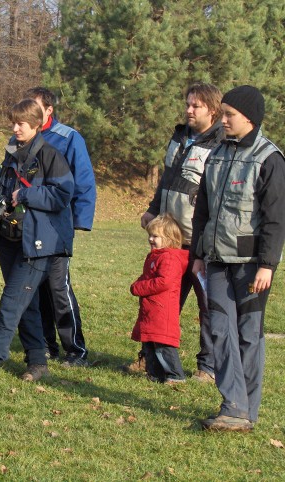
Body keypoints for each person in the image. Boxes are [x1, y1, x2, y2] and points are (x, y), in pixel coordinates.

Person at [0, 99, 74, 383]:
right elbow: (4, 189)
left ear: (36, 125)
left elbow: (62, 195)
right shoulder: (13, 152)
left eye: (21, 123)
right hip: (10, 239)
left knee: (11, 303)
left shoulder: (50, 155)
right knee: (26, 303)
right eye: (13, 122)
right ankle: (37, 361)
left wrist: (25, 195)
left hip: (37, 243)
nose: (15, 128)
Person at [192, 85, 285, 432]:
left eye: (229, 114)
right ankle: (232, 406)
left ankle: (247, 409)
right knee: (220, 331)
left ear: (250, 118)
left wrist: (267, 265)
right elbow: (203, 209)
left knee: (248, 334)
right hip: (215, 260)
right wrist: (198, 254)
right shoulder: (216, 153)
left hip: (251, 266)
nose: (224, 119)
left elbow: (276, 218)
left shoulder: (270, 159)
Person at [133, 82, 224, 382]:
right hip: (171, 242)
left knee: (207, 306)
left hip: (199, 244)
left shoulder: (220, 144)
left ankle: (208, 367)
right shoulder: (180, 137)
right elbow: (167, 179)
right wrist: (153, 207)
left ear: (212, 109)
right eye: (188, 103)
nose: (188, 109)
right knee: (159, 301)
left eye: (195, 105)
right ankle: (149, 357)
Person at [23, 87, 96, 366]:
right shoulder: (20, 136)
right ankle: (45, 345)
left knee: (58, 288)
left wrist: (80, 221)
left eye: (35, 106)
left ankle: (76, 350)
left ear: (48, 110)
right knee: (36, 287)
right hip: (30, 227)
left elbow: (84, 180)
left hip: (57, 226)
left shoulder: (68, 138)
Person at [130, 214, 188, 385]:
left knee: (163, 344)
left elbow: (164, 281)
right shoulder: (155, 256)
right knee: (149, 342)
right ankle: (155, 374)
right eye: (150, 235)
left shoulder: (169, 258)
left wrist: (139, 287)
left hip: (162, 309)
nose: (150, 239)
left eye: (155, 236)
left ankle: (176, 375)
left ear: (169, 238)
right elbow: (147, 275)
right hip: (152, 309)